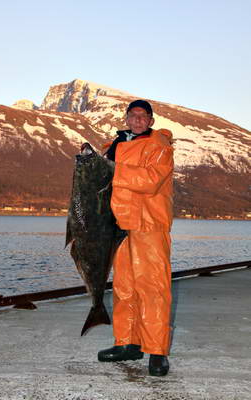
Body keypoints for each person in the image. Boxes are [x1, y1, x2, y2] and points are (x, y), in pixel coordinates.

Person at [98, 99, 174, 377]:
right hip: (119, 225)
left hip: (149, 225)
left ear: (151, 121)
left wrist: (110, 169)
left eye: (143, 116)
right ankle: (127, 343)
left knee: (153, 289)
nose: (138, 119)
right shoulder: (114, 144)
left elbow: (150, 180)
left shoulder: (159, 146)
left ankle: (157, 351)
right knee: (124, 287)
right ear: (127, 118)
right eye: (133, 115)